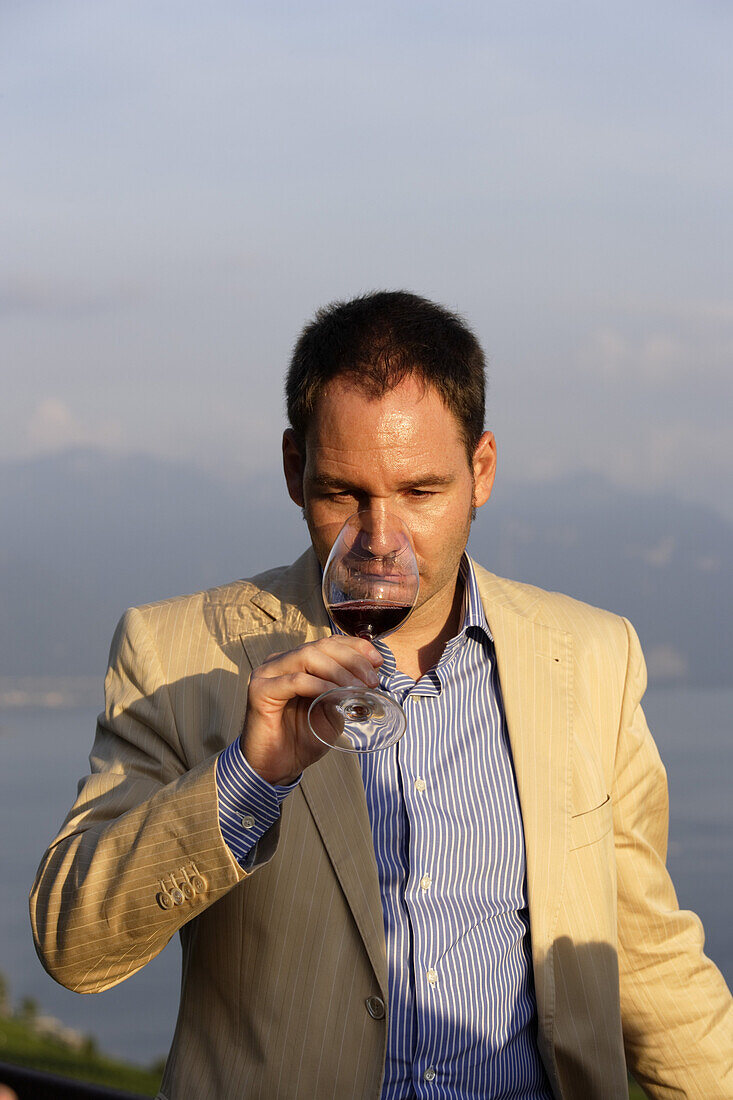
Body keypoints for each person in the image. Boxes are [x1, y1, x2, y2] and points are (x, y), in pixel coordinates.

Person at [31, 292, 731, 1100]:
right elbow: (74, 946)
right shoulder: (176, 652)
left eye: (420, 492)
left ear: (482, 470)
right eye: (343, 494)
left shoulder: (591, 656)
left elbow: (645, 956)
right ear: (294, 471)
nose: (380, 539)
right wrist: (249, 779)